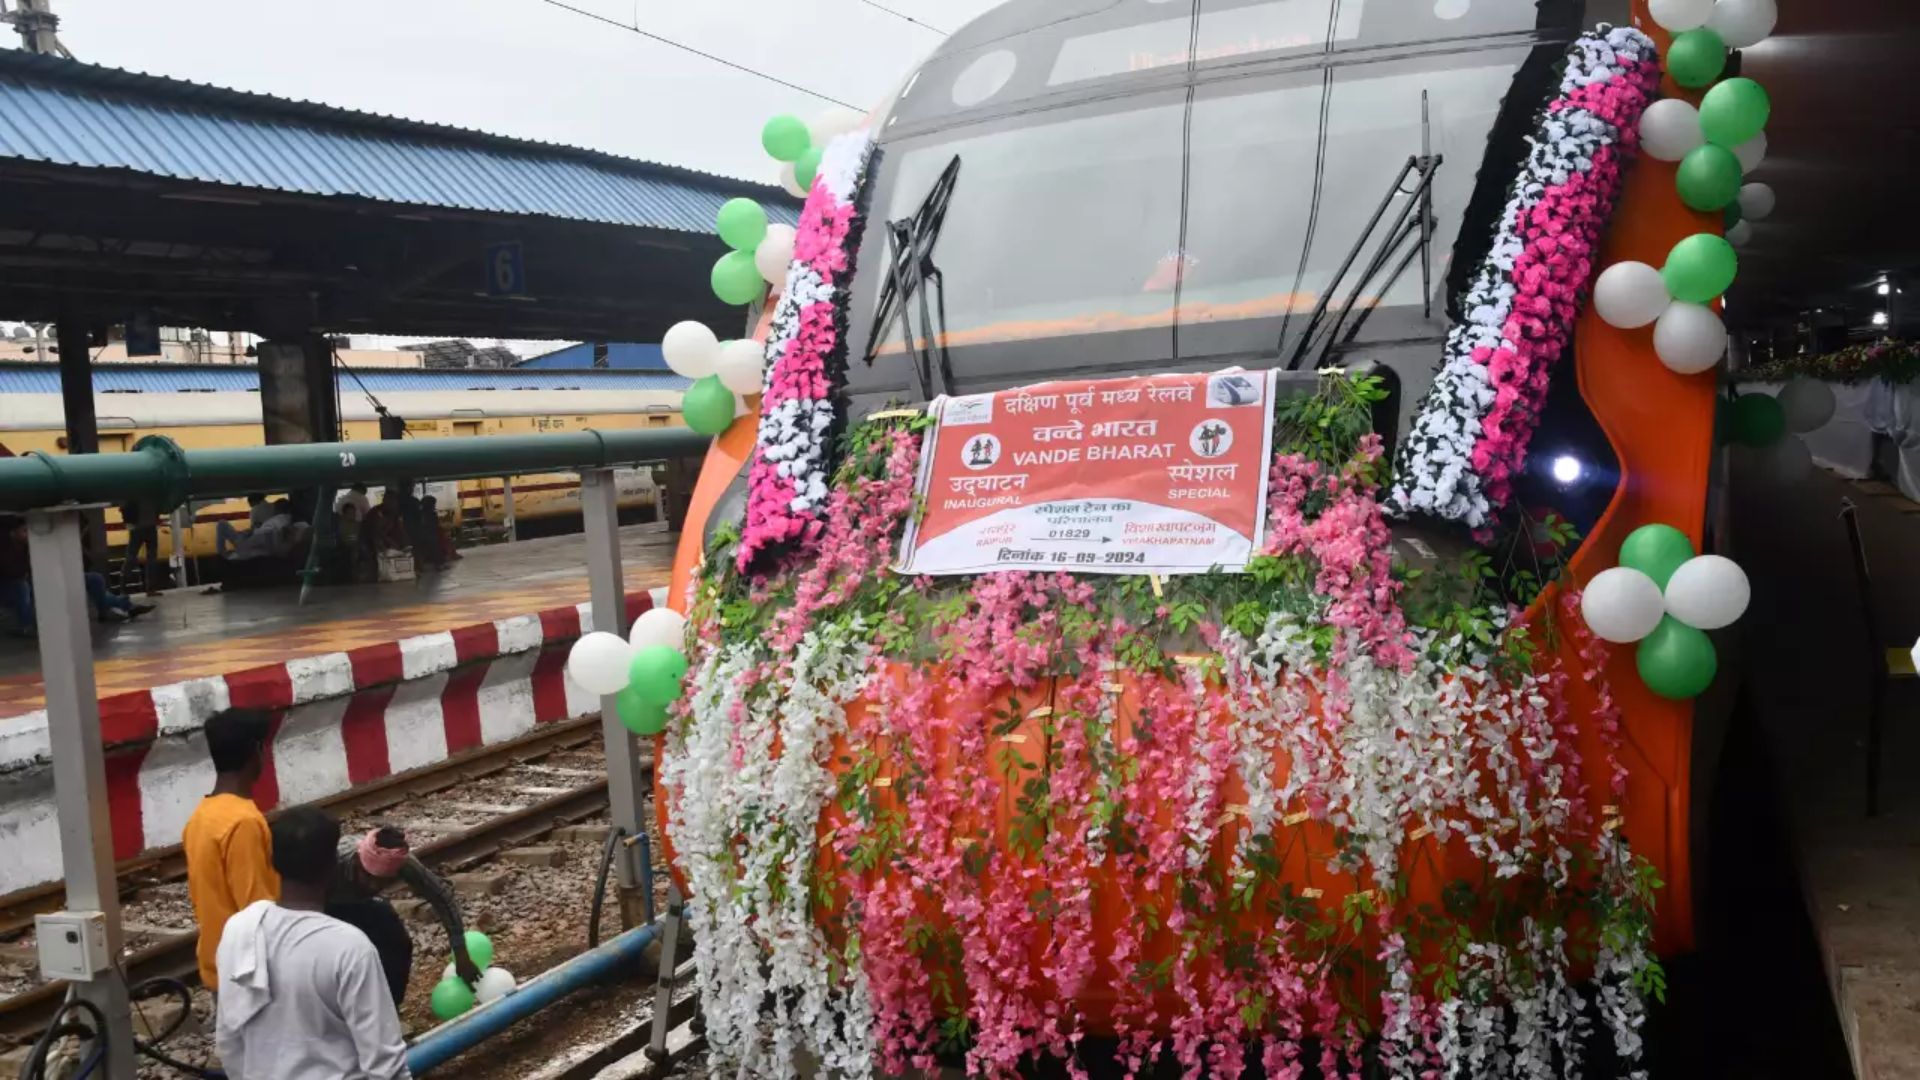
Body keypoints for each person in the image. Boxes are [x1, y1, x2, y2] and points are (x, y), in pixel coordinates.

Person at [215, 806, 411, 1080]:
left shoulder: (239, 929)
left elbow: (228, 1038)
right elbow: (385, 1064)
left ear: (273, 862)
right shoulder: (350, 947)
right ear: (332, 867)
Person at [182, 708, 280, 989]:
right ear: (256, 752)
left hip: (219, 964)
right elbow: (256, 910)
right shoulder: (243, 822)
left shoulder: (201, 816)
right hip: (249, 973)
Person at [328, 826, 480, 1006]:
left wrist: (460, 952)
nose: (373, 885)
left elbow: (442, 897)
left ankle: (389, 1009)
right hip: (321, 906)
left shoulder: (404, 862)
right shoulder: (334, 859)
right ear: (357, 861)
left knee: (398, 945)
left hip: (362, 903)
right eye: (368, 876)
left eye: (383, 880)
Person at [0, 516, 153, 631]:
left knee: (94, 579)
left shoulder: (34, 545)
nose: (29, 534)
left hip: (43, 579)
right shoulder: (6, 549)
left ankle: (116, 607)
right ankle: (26, 626)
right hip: (17, 585)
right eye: (24, 531)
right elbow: (13, 571)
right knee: (22, 589)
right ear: (13, 533)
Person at [118, 497, 163, 597]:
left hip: (137, 527)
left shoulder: (134, 491)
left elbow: (123, 507)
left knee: (131, 557)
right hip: (149, 527)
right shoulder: (153, 492)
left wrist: (127, 522)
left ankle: (123, 590)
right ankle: (150, 589)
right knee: (151, 558)